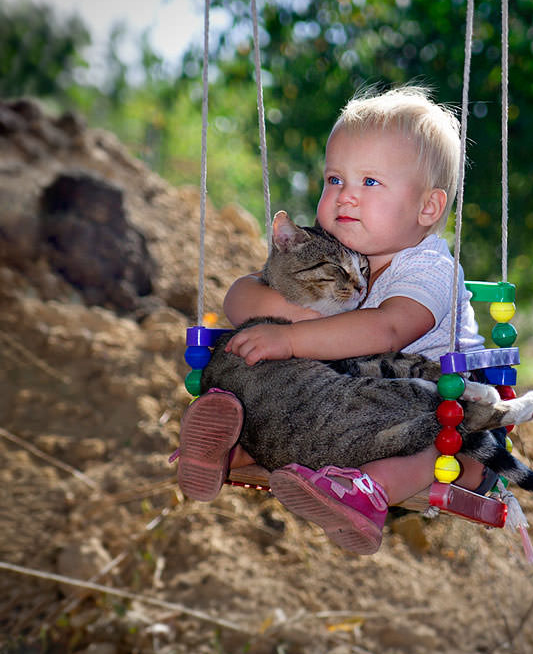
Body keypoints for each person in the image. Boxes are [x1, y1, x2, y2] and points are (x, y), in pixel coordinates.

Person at [178, 85, 499, 554]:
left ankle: (364, 494)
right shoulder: (337, 249)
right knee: (273, 385)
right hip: (349, 408)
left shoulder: (430, 268)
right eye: (334, 180)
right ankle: (229, 446)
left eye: (370, 183)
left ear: (428, 207)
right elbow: (241, 295)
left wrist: (291, 339)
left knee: (431, 442)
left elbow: (387, 329)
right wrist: (290, 315)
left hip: (444, 409)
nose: (346, 197)